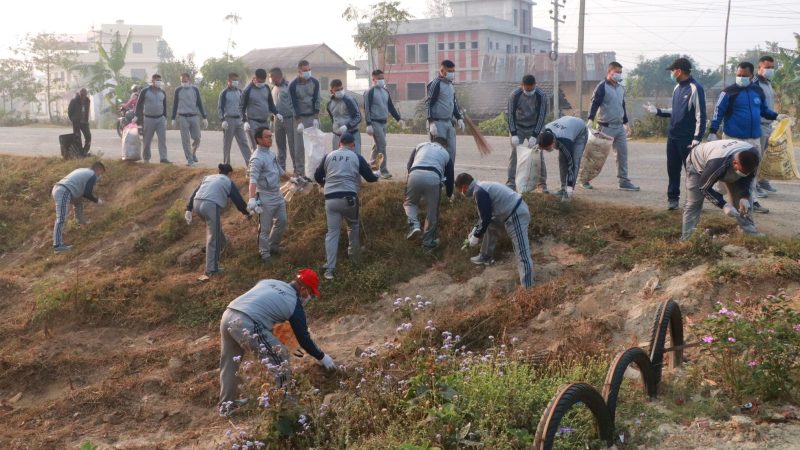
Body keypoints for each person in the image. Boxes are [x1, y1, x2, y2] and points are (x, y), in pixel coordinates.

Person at [218, 269, 337, 416]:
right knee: (281, 358)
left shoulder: (270, 282)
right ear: (303, 289)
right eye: (310, 293)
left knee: (229, 363)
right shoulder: (293, 303)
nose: (310, 297)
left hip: (228, 314)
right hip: (247, 322)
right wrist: (321, 356)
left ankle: (226, 407)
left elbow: (267, 309)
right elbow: (303, 338)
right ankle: (286, 405)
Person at [709, 61, 784, 214]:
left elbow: (763, 110)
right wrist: (712, 131)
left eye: (744, 76)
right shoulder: (729, 92)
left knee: (752, 172)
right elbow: (718, 112)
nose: (741, 78)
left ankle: (751, 200)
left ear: (751, 76)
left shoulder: (757, 91)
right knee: (729, 173)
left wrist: (777, 116)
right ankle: (719, 192)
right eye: (738, 75)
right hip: (733, 139)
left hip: (753, 139)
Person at [643, 57, 707, 210]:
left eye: (672, 71)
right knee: (672, 169)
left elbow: (701, 115)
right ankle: (673, 199)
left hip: (687, 138)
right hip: (672, 136)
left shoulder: (695, 88)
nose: (671, 74)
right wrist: (658, 111)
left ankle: (695, 201)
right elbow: (675, 111)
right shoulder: (677, 88)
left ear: (678, 71)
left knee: (692, 171)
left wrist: (697, 138)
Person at [314, 132, 380, 280]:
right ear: (353, 145)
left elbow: (317, 176)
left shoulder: (329, 156)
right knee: (353, 226)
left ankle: (330, 269)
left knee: (332, 233)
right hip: (349, 198)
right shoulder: (356, 156)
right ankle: (354, 257)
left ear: (339, 144)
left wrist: (326, 183)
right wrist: (378, 174)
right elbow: (370, 178)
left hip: (330, 199)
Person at [455, 173, 533, 288]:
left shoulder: (479, 192)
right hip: (509, 212)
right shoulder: (481, 187)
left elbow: (485, 218)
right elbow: (485, 217)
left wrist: (476, 237)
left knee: (521, 252)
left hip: (516, 215)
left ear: (464, 187)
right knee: (491, 225)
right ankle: (485, 256)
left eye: (461, 190)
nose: (462, 193)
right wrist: (475, 230)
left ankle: (528, 288)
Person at [681, 139, 763, 240]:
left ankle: (749, 231)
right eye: (742, 172)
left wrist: (744, 196)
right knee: (693, 203)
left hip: (727, 160)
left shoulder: (754, 156)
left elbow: (749, 177)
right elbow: (704, 187)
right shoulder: (716, 164)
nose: (744, 175)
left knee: (744, 201)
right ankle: (688, 237)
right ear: (735, 163)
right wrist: (724, 205)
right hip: (698, 163)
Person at [185, 164, 250, 278]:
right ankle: (211, 270)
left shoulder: (208, 177)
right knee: (213, 237)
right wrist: (247, 213)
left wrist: (189, 209)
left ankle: (224, 248)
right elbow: (238, 201)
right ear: (230, 173)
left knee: (214, 229)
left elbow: (195, 192)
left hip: (197, 204)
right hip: (210, 205)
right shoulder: (228, 181)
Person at [586, 61, 638, 191]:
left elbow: (622, 105)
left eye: (620, 72)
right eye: (616, 72)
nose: (619, 75)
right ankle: (584, 179)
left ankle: (623, 181)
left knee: (622, 155)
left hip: (619, 127)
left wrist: (626, 122)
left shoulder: (621, 88)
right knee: (596, 155)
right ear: (609, 72)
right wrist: (590, 119)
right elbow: (594, 104)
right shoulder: (601, 87)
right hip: (604, 127)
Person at [404, 136, 454, 250]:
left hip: (415, 174)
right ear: (444, 145)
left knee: (410, 204)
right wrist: (450, 194)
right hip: (433, 177)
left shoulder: (420, 145)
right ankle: (428, 243)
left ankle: (414, 225)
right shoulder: (445, 153)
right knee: (432, 212)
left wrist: (406, 187)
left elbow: (409, 165)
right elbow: (450, 177)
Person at [248, 127, 288, 264]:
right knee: (264, 228)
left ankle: (273, 247)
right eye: (267, 137)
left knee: (282, 220)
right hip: (265, 196)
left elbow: (280, 171)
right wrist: (252, 199)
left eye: (271, 136)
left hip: (277, 193)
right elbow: (252, 180)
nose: (270, 139)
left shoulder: (271, 154)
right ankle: (264, 254)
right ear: (259, 139)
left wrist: (293, 180)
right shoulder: (257, 158)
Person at [506, 74, 549, 191]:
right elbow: (510, 115)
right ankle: (511, 182)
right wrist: (513, 133)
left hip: (534, 127)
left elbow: (542, 116)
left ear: (535, 85)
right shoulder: (515, 95)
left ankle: (542, 184)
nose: (529, 91)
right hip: (518, 127)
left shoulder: (541, 95)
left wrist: (535, 135)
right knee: (514, 154)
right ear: (522, 86)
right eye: (527, 89)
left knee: (538, 154)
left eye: (532, 89)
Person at [52, 161, 106, 252]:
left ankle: (82, 222)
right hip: (64, 191)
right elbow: (87, 193)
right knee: (61, 218)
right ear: (98, 169)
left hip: (61, 189)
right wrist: (97, 201)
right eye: (101, 173)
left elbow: (80, 193)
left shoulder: (82, 170)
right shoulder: (92, 175)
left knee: (78, 202)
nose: (100, 176)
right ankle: (57, 246)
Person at [536, 116, 589, 200]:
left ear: (553, 142)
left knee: (574, 161)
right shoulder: (543, 132)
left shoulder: (565, 142)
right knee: (562, 160)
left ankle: (568, 190)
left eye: (547, 148)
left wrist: (570, 188)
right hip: (566, 127)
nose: (546, 150)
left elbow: (571, 165)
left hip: (580, 132)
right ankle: (563, 188)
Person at [365, 69, 404, 179]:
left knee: (377, 146)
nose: (382, 80)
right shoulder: (370, 92)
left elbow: (390, 107)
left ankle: (372, 165)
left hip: (383, 122)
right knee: (382, 144)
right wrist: (368, 124)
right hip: (374, 122)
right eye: (379, 79)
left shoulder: (385, 91)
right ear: (373, 79)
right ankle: (383, 169)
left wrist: (398, 119)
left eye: (383, 78)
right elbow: (367, 109)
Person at [426, 60, 464, 162]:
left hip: (449, 122)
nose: (452, 73)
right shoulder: (436, 84)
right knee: (438, 152)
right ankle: (439, 176)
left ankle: (449, 176)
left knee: (451, 151)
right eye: (449, 71)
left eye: (453, 71)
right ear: (442, 71)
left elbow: (453, 104)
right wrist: (431, 122)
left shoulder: (451, 86)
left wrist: (459, 118)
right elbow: (429, 103)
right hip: (438, 123)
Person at [754, 56, 780, 196]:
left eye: (772, 67)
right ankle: (754, 185)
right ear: (760, 68)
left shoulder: (768, 83)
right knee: (756, 157)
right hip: (758, 124)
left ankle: (762, 180)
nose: (770, 70)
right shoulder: (755, 84)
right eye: (767, 67)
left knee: (765, 157)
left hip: (768, 124)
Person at [269, 67, 301, 175]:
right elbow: (272, 104)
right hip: (277, 120)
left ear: (277, 76)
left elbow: (295, 102)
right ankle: (281, 170)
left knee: (292, 145)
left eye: (271, 77)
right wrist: (272, 118)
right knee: (280, 146)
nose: (270, 79)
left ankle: (297, 170)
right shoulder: (273, 88)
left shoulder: (289, 87)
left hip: (289, 119)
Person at [171, 73, 208, 166]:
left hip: (194, 116)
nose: (184, 83)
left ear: (189, 80)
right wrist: (173, 118)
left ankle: (193, 153)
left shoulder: (195, 89)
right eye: (182, 81)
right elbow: (175, 104)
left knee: (197, 138)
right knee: (185, 139)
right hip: (183, 117)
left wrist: (204, 117)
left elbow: (199, 103)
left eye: (185, 81)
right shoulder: (178, 90)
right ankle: (189, 159)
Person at [290, 60, 321, 170]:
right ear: (299, 71)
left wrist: (316, 117)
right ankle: (300, 173)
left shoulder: (315, 82)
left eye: (309, 70)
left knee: (315, 146)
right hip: (300, 119)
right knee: (299, 148)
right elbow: (293, 104)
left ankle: (316, 172)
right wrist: (298, 121)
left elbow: (317, 99)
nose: (308, 72)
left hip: (313, 117)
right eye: (305, 70)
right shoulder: (293, 85)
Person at [242, 68, 281, 151]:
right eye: (260, 82)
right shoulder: (247, 90)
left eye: (263, 82)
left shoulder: (266, 88)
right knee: (256, 148)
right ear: (255, 78)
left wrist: (276, 113)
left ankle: (264, 164)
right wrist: (244, 121)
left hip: (264, 122)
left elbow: (270, 103)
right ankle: (254, 164)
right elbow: (241, 107)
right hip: (253, 122)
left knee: (266, 145)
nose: (261, 83)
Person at [135, 74, 170, 163]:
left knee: (162, 139)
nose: (158, 82)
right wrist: (136, 116)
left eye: (159, 80)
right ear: (152, 81)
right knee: (147, 140)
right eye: (157, 80)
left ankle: (163, 158)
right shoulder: (145, 91)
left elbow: (164, 105)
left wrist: (165, 117)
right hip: (148, 119)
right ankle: (146, 158)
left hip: (160, 118)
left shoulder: (162, 92)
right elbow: (139, 104)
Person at [218, 72, 252, 165]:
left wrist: (245, 120)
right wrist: (222, 120)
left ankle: (250, 164)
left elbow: (243, 107)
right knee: (227, 144)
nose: (236, 82)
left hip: (239, 120)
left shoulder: (240, 92)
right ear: (228, 81)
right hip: (228, 120)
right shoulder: (224, 93)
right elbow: (220, 108)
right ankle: (226, 165)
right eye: (234, 80)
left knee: (244, 142)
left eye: (237, 80)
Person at [326, 79, 362, 153]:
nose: (340, 91)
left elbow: (358, 117)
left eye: (341, 89)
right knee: (337, 160)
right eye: (337, 90)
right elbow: (333, 119)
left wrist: (347, 126)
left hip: (352, 134)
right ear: (331, 91)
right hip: (337, 136)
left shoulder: (349, 100)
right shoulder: (329, 104)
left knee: (354, 158)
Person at [67, 88, 91, 155]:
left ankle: (85, 151)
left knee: (88, 136)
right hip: (76, 122)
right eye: (82, 95)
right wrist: (73, 119)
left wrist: (86, 119)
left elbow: (87, 111)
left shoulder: (87, 100)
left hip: (85, 122)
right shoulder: (74, 101)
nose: (84, 97)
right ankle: (80, 153)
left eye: (85, 95)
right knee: (78, 138)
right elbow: (69, 111)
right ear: (80, 94)